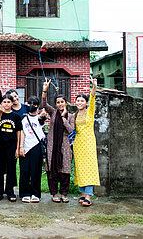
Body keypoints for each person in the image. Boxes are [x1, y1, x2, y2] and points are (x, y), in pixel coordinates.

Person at [41, 79, 75, 203]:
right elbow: (44, 104)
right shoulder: (53, 112)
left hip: (65, 147)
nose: (60, 104)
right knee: (52, 170)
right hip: (52, 146)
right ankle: (54, 194)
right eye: (58, 102)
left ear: (66, 103)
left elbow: (71, 130)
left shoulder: (71, 116)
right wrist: (45, 89)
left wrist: (63, 118)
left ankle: (64, 194)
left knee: (65, 171)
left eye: (62, 102)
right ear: (55, 104)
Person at [73, 77, 99, 207]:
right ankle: (83, 194)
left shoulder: (90, 112)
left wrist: (93, 86)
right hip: (78, 144)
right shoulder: (75, 115)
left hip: (88, 143)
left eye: (82, 101)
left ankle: (88, 196)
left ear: (86, 102)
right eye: (78, 101)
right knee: (80, 169)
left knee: (89, 169)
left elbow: (93, 97)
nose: (79, 102)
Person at [0, 93, 22, 202]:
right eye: (4, 102)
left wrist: (18, 148)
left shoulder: (16, 116)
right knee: (0, 169)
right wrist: (0, 112)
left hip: (12, 145)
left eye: (8, 102)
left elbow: (18, 132)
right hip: (0, 145)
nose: (6, 104)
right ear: (1, 103)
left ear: (12, 103)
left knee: (11, 169)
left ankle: (10, 191)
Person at [18, 96, 45, 203]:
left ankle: (35, 193)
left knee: (35, 171)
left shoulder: (40, 118)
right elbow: (22, 133)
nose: (32, 106)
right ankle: (25, 193)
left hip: (36, 146)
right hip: (25, 146)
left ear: (38, 106)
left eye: (34, 104)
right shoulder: (23, 118)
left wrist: (41, 116)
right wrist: (21, 147)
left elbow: (41, 121)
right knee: (24, 170)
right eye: (30, 104)